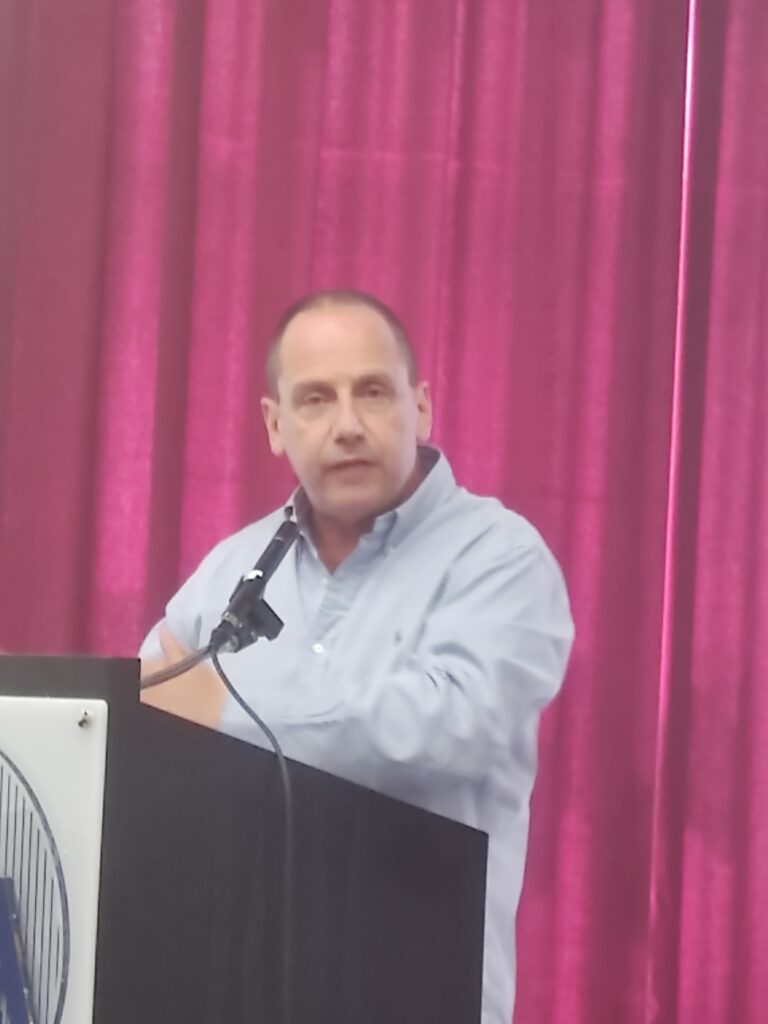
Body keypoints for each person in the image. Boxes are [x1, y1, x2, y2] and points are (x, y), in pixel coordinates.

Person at [140, 290, 574, 1024]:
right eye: (315, 399)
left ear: (421, 408)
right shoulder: (230, 569)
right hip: (233, 991)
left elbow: (443, 729)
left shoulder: (501, 560)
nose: (346, 425)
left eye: (372, 391)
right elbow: (145, 727)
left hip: (419, 996)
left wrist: (224, 713)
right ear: (275, 425)